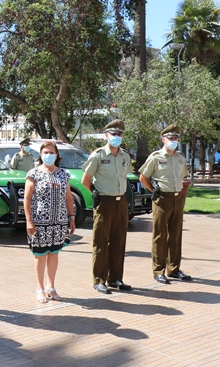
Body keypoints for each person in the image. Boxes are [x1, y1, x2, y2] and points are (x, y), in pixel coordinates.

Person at [81, 120, 133, 294]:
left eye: (119, 135)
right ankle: (99, 279)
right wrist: (95, 192)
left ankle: (115, 278)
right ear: (106, 136)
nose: (116, 137)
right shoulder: (97, 155)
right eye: (113, 134)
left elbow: (125, 176)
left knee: (119, 242)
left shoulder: (125, 156)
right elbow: (85, 181)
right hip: (104, 203)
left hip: (121, 202)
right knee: (101, 242)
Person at [139, 124, 192, 285]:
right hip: (162, 199)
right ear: (163, 140)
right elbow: (143, 177)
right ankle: (158, 270)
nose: (173, 141)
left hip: (177, 199)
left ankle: (174, 269)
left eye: (175, 139)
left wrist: (182, 195)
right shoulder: (155, 157)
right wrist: (153, 190)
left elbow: (185, 178)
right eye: (170, 139)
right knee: (160, 235)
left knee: (175, 235)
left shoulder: (180, 158)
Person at [24, 141, 76, 303]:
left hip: (59, 223)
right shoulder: (33, 174)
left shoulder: (63, 174)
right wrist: (29, 221)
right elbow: (27, 198)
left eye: (51, 152)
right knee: (40, 256)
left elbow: (68, 197)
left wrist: (71, 217)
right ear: (40, 155)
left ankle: (51, 287)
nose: (48, 155)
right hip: (39, 223)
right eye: (45, 152)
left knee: (54, 254)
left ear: (57, 154)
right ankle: (39, 288)